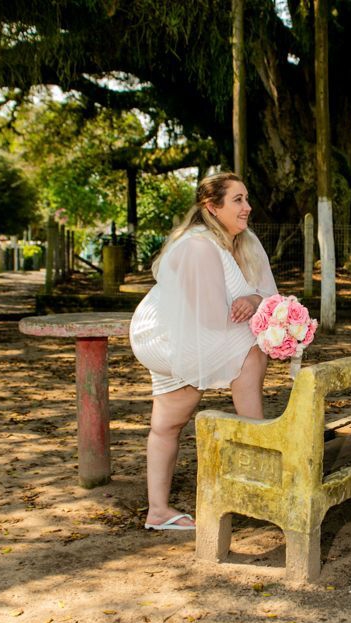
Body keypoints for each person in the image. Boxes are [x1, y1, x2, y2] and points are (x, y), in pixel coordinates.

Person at [130, 172, 277, 530]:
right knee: (251, 349)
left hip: (188, 330)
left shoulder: (245, 243)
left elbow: (268, 298)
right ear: (212, 207)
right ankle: (260, 474)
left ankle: (158, 512)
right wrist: (253, 317)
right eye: (238, 200)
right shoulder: (198, 246)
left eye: (247, 198)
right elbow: (211, 319)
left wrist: (254, 300)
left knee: (168, 422)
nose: (248, 207)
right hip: (164, 335)